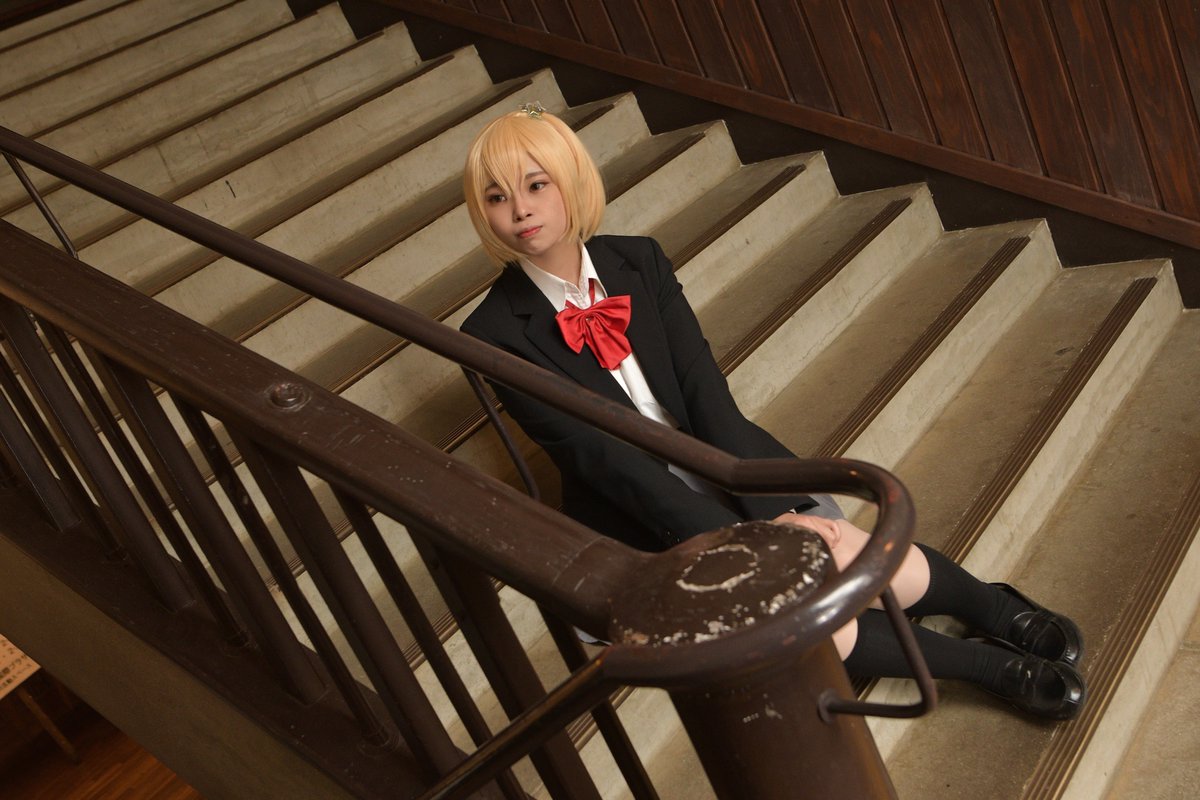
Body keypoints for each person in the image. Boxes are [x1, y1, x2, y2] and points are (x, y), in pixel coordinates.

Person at [459, 104, 1086, 720]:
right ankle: (985, 667)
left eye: (536, 185)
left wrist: (764, 505)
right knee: (797, 611)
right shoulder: (493, 333)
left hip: (721, 454)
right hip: (632, 508)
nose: (521, 210)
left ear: (571, 180)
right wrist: (747, 540)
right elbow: (601, 459)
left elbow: (705, 392)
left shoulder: (638, 259)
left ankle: (995, 609)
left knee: (842, 544)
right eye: (497, 197)